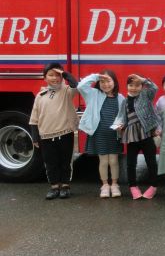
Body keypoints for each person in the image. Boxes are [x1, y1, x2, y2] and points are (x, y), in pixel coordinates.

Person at [29, 63, 79, 200]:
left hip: (65, 133)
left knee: (65, 162)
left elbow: (76, 84)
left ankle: (65, 186)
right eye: (51, 75)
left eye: (57, 75)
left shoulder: (67, 91)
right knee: (50, 163)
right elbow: (34, 118)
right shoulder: (40, 95)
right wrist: (35, 136)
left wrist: (64, 73)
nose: (54, 78)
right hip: (46, 135)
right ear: (44, 77)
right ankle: (54, 186)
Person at [78, 70, 125, 198]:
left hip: (114, 135)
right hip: (99, 134)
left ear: (115, 82)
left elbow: (123, 116)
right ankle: (104, 185)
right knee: (103, 161)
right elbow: (81, 86)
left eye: (108, 81)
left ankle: (114, 184)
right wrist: (95, 76)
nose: (105, 84)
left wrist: (122, 125)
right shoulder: (94, 94)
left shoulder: (121, 98)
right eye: (102, 82)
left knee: (114, 161)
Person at [113, 74, 159, 200]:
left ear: (142, 86)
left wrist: (143, 80)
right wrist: (119, 125)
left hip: (146, 133)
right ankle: (133, 187)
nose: (133, 88)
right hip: (131, 135)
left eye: (137, 85)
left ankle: (153, 186)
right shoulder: (124, 101)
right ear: (127, 86)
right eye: (131, 85)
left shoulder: (145, 95)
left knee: (151, 162)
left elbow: (154, 88)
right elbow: (121, 117)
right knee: (131, 163)